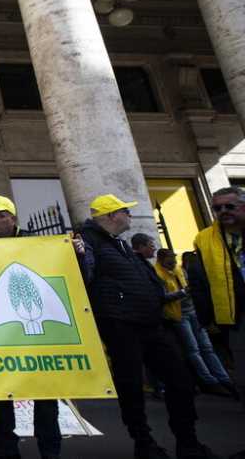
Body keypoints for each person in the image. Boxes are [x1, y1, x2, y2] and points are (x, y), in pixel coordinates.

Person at [76, 194, 216, 459]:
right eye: (124, 211)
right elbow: (84, 275)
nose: (130, 216)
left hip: (150, 324)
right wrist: (80, 255)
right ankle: (144, 442)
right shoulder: (88, 241)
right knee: (131, 386)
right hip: (120, 325)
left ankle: (187, 441)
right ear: (110, 216)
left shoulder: (121, 245)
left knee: (181, 379)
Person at [0, 195, 68, 459]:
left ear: (13, 218)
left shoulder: (36, 242)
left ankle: (49, 449)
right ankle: (5, 447)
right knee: (1, 392)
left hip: (36, 334)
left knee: (45, 393)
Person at [154, 248, 236, 398]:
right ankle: (209, 381)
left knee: (206, 347)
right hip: (179, 316)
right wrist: (183, 293)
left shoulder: (179, 270)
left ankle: (223, 379)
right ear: (161, 259)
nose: (173, 261)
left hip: (192, 311)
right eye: (170, 259)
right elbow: (162, 297)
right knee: (193, 349)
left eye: (174, 258)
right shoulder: (158, 274)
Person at [192, 187, 245, 381]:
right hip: (235, 317)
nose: (223, 211)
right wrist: (206, 317)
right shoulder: (204, 238)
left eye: (229, 206)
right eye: (217, 208)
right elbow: (200, 280)